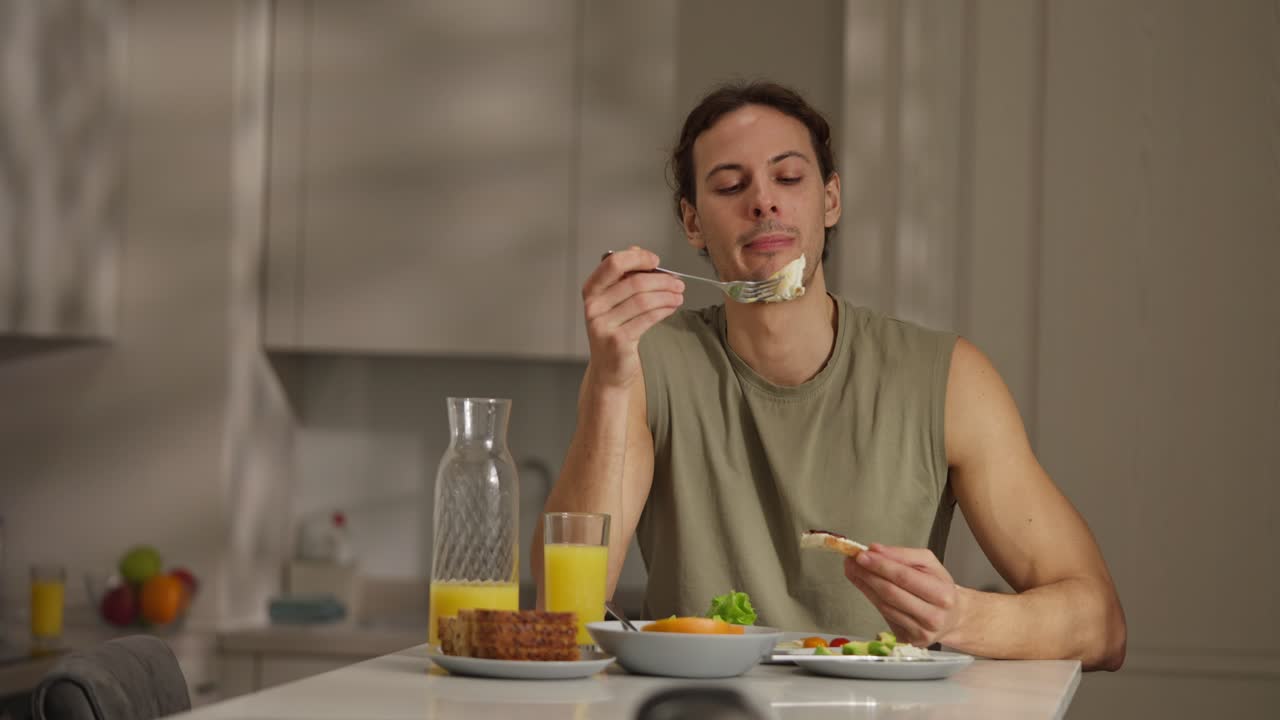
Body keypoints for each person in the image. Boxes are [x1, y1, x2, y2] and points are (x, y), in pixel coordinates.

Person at [532, 81, 1126, 671]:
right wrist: (610, 382)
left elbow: (1100, 625)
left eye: (788, 179)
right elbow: (564, 609)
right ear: (692, 223)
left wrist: (958, 618)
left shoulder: (949, 380)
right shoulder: (644, 364)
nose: (763, 201)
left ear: (831, 200)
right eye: (731, 185)